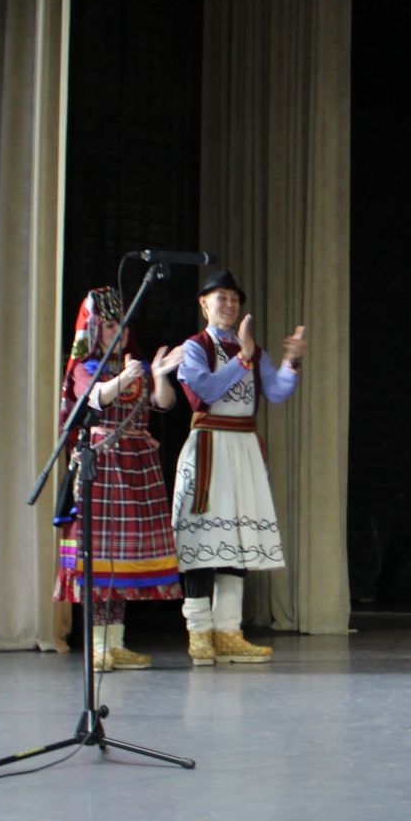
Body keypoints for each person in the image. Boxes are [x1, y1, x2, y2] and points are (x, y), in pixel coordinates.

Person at [172, 270, 306, 667]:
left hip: (243, 448)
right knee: (202, 543)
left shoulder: (252, 349)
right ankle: (199, 633)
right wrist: (243, 360)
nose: (229, 306)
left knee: (237, 539)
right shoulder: (195, 347)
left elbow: (278, 391)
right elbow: (206, 392)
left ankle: (228, 631)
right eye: (221, 298)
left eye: (234, 299)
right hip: (211, 445)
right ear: (204, 303)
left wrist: (289, 361)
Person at [52, 287, 184, 671]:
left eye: (123, 325)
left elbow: (164, 403)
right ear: (95, 330)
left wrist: (158, 376)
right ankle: (97, 646)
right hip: (104, 465)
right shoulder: (85, 367)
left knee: (124, 559)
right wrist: (125, 378)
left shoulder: (134, 365)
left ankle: (116, 643)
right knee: (100, 557)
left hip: (136, 466)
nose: (119, 332)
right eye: (110, 325)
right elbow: (94, 398)